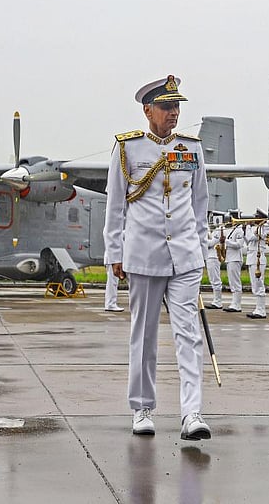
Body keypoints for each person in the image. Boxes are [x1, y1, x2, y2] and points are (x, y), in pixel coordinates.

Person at [103, 75, 211, 439]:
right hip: (144, 253)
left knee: (189, 335)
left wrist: (201, 249)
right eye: (166, 107)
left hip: (185, 255)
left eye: (177, 107)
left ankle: (192, 413)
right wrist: (114, 252)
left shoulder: (191, 149)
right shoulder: (127, 149)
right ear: (147, 110)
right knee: (144, 335)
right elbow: (116, 206)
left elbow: (200, 205)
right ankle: (142, 408)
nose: (173, 113)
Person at [204, 217, 225, 310]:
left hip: (214, 256)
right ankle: (216, 300)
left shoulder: (219, 231)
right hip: (210, 256)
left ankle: (218, 302)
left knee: (215, 279)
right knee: (212, 280)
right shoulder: (212, 230)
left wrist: (202, 240)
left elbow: (211, 243)